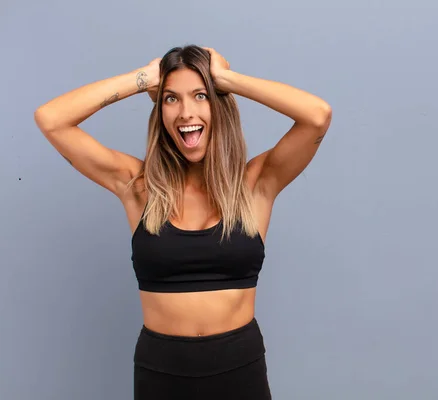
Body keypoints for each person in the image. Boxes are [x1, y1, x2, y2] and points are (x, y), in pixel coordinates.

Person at [34, 45, 332, 399]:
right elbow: (51, 119)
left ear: (220, 105)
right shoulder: (139, 186)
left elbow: (317, 115)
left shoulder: (255, 184)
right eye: (171, 99)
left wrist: (224, 78)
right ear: (159, 111)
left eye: (201, 96)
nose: (186, 112)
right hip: (161, 374)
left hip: (240, 372)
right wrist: (144, 78)